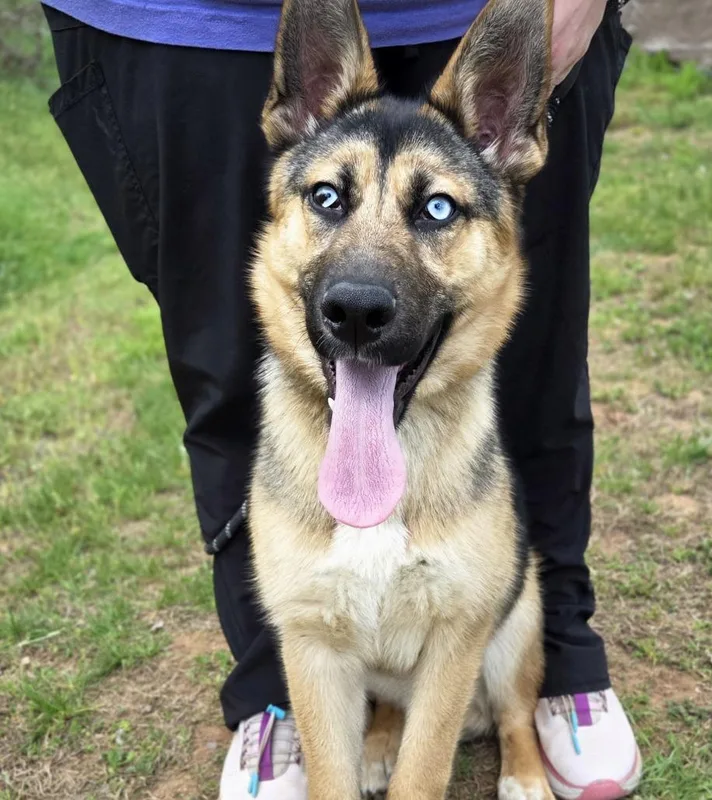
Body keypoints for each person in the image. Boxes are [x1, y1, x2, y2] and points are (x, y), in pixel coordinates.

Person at [41, 1, 640, 797]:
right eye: (328, 198)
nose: (361, 288)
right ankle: (280, 704)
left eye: (435, 210)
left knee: (540, 384)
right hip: (180, 20)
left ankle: (542, 692)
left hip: (482, 6)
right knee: (222, 377)